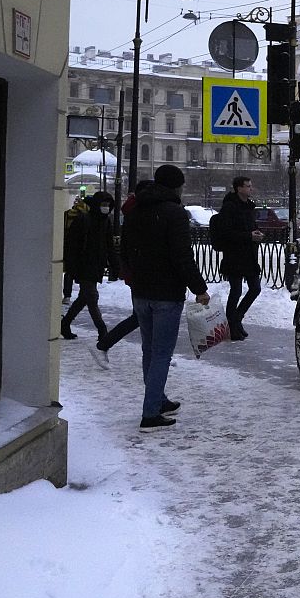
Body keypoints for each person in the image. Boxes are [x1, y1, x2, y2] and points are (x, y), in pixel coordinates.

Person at [120, 164, 210, 433]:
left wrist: (133, 277)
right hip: (166, 293)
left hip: (141, 291)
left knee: (149, 348)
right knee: (161, 353)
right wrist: (199, 288)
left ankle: (157, 398)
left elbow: (124, 248)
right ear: (176, 186)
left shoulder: (134, 210)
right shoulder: (175, 213)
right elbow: (182, 256)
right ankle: (150, 413)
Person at [96, 180, 152, 361]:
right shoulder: (140, 212)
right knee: (140, 316)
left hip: (134, 271)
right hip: (139, 272)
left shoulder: (131, 211)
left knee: (142, 316)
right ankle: (104, 344)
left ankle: (152, 351)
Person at [61, 191, 117, 354]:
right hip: (83, 266)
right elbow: (72, 245)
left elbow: (109, 245)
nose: (105, 208)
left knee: (84, 298)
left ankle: (65, 324)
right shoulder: (83, 219)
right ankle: (102, 330)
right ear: (96, 205)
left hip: (95, 266)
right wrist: (71, 267)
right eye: (103, 205)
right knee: (92, 297)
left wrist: (115, 265)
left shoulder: (106, 221)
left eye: (108, 205)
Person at [218, 176, 264, 341]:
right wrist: (248, 236)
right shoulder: (229, 207)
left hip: (249, 255)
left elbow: (252, 226)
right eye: (247, 186)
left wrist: (257, 233)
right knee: (235, 290)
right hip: (234, 255)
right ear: (238, 188)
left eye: (251, 186)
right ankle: (232, 325)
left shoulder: (249, 206)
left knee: (255, 288)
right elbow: (227, 233)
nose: (250, 188)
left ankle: (237, 317)